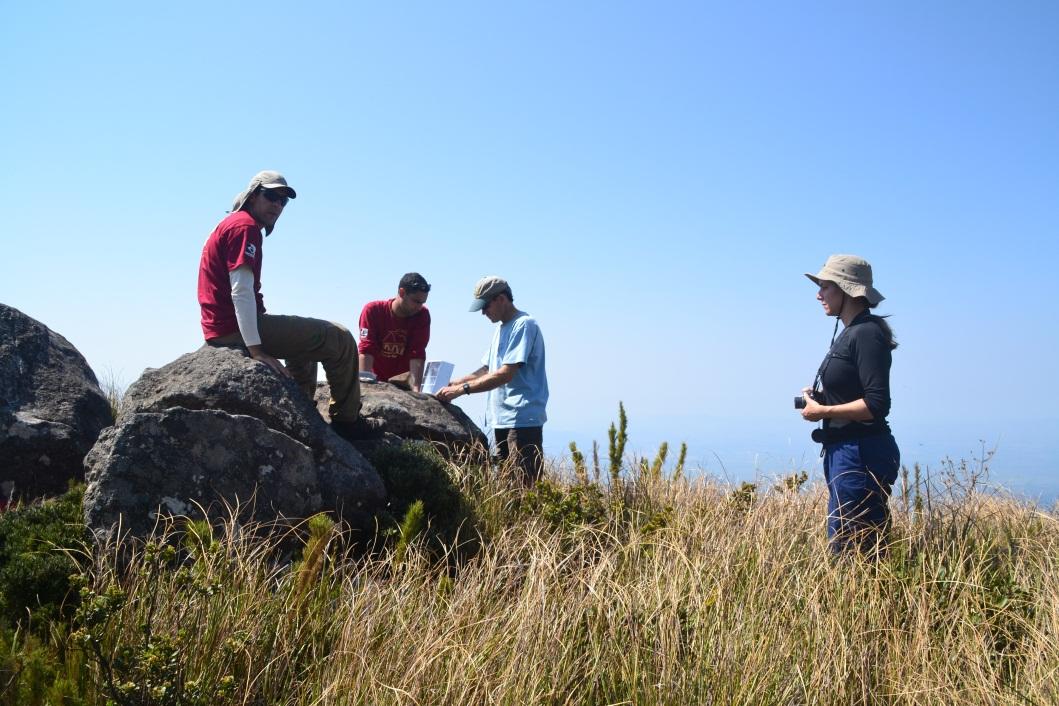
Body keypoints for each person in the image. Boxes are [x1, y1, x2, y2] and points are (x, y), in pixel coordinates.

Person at [197, 170, 364, 438]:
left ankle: (301, 413)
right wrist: (257, 350)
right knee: (338, 338)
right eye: (271, 196)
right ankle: (348, 422)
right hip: (232, 330)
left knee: (303, 347)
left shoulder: (232, 223)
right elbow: (241, 291)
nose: (277, 205)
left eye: (283, 201)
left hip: (222, 327)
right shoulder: (245, 227)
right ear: (253, 196)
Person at [798, 254, 900, 554]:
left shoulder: (866, 334)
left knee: (854, 550)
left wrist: (824, 411)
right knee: (849, 545)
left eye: (825, 286)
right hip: (848, 451)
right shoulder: (853, 332)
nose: (819, 295)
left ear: (846, 289)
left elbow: (877, 404)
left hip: (860, 453)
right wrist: (824, 400)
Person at [436, 276, 548, 484]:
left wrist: (462, 390)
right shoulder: (501, 328)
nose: (483, 313)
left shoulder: (524, 325)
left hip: (522, 420)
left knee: (524, 487)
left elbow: (505, 373)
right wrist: (455, 383)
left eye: (485, 306)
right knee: (507, 486)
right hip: (503, 419)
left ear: (501, 299)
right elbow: (488, 369)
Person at [358, 273, 431, 391]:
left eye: (422, 302)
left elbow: (417, 352)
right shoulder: (373, 310)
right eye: (416, 301)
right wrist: (364, 385)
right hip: (374, 380)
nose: (419, 307)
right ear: (402, 292)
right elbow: (367, 348)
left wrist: (416, 389)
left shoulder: (422, 315)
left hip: (402, 385)